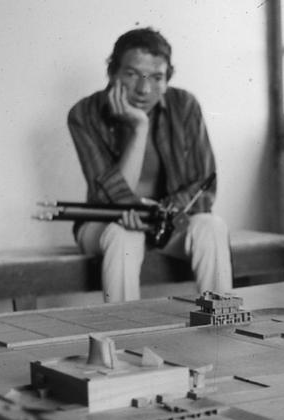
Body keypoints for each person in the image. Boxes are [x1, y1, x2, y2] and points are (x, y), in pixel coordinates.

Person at [68, 27, 232, 302]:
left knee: (211, 226)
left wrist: (160, 215)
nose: (144, 90)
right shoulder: (84, 113)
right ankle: (122, 337)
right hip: (104, 223)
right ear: (112, 73)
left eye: (156, 77)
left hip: (166, 223)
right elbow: (110, 201)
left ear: (168, 79)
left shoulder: (185, 105)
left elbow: (204, 185)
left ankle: (221, 326)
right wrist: (139, 128)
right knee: (124, 236)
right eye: (132, 75)